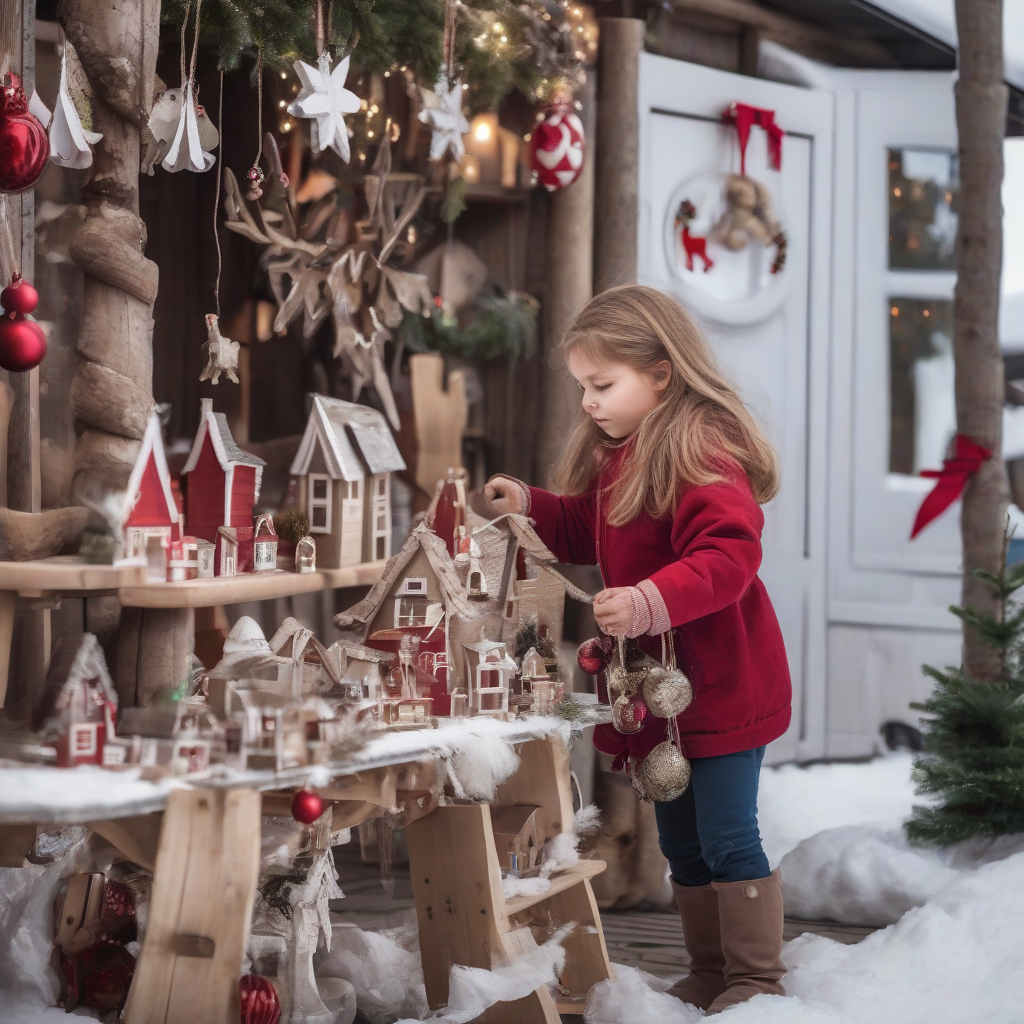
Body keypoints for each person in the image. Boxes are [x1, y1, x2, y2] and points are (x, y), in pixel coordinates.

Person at [484, 284, 792, 1013]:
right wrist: (531, 505)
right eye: (583, 387)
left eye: (602, 384)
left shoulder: (702, 451)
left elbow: (729, 554)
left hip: (719, 680)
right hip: (658, 687)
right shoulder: (624, 453)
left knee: (725, 832)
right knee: (679, 839)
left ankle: (756, 980)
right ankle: (712, 970)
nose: (589, 401)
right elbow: (596, 528)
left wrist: (651, 598)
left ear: (661, 373)